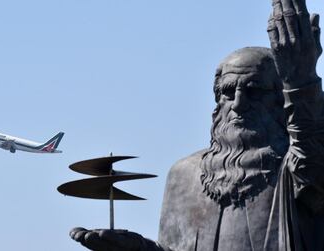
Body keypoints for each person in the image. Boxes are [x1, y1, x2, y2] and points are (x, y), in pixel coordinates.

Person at [71, 0, 324, 250]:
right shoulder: (184, 175)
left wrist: (300, 81)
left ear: (280, 98)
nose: (238, 103)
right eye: (227, 92)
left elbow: (309, 156)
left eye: (254, 91)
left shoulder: (292, 170)